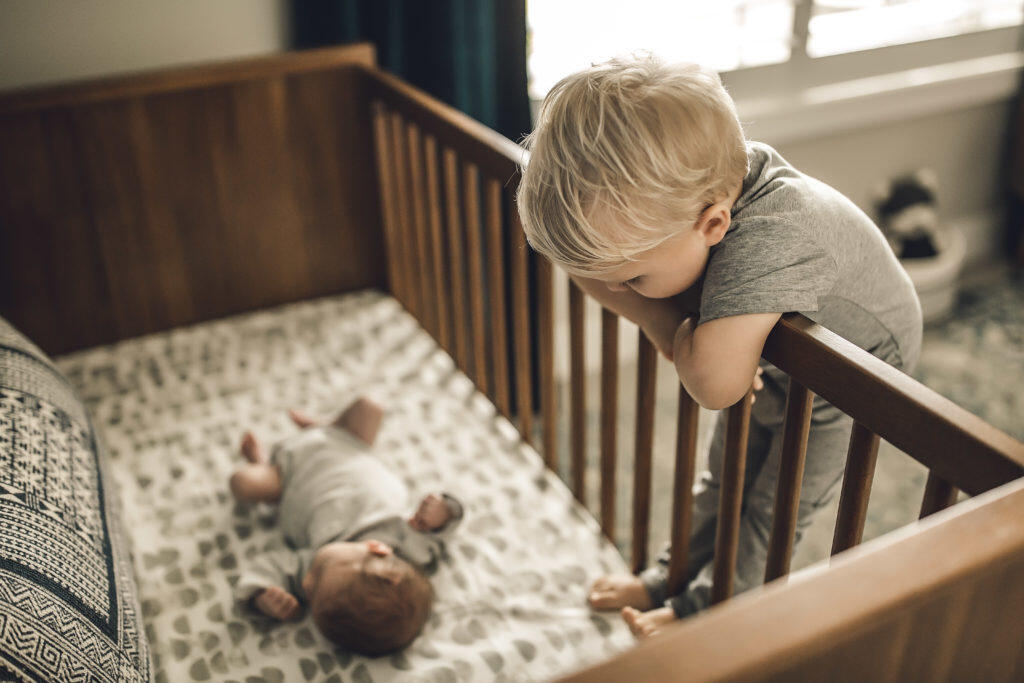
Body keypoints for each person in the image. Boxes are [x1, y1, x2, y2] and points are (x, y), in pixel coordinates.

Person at [516, 54, 922, 638]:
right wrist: (664, 325)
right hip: (780, 361)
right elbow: (584, 270)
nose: (618, 293)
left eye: (632, 281)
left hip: (858, 373)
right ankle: (668, 576)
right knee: (723, 475)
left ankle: (708, 613)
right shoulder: (694, 200)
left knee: (772, 505)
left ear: (713, 225)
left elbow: (714, 384)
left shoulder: (771, 236)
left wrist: (678, 332)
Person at [229, 397, 464, 655]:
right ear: (377, 549)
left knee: (242, 483)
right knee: (370, 407)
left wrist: (262, 597)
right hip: (347, 445)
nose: (307, 583)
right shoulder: (410, 543)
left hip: (288, 476)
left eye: (311, 592)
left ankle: (260, 462)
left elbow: (268, 566)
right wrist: (442, 513)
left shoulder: (313, 568)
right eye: (317, 575)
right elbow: (447, 530)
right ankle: (322, 427)